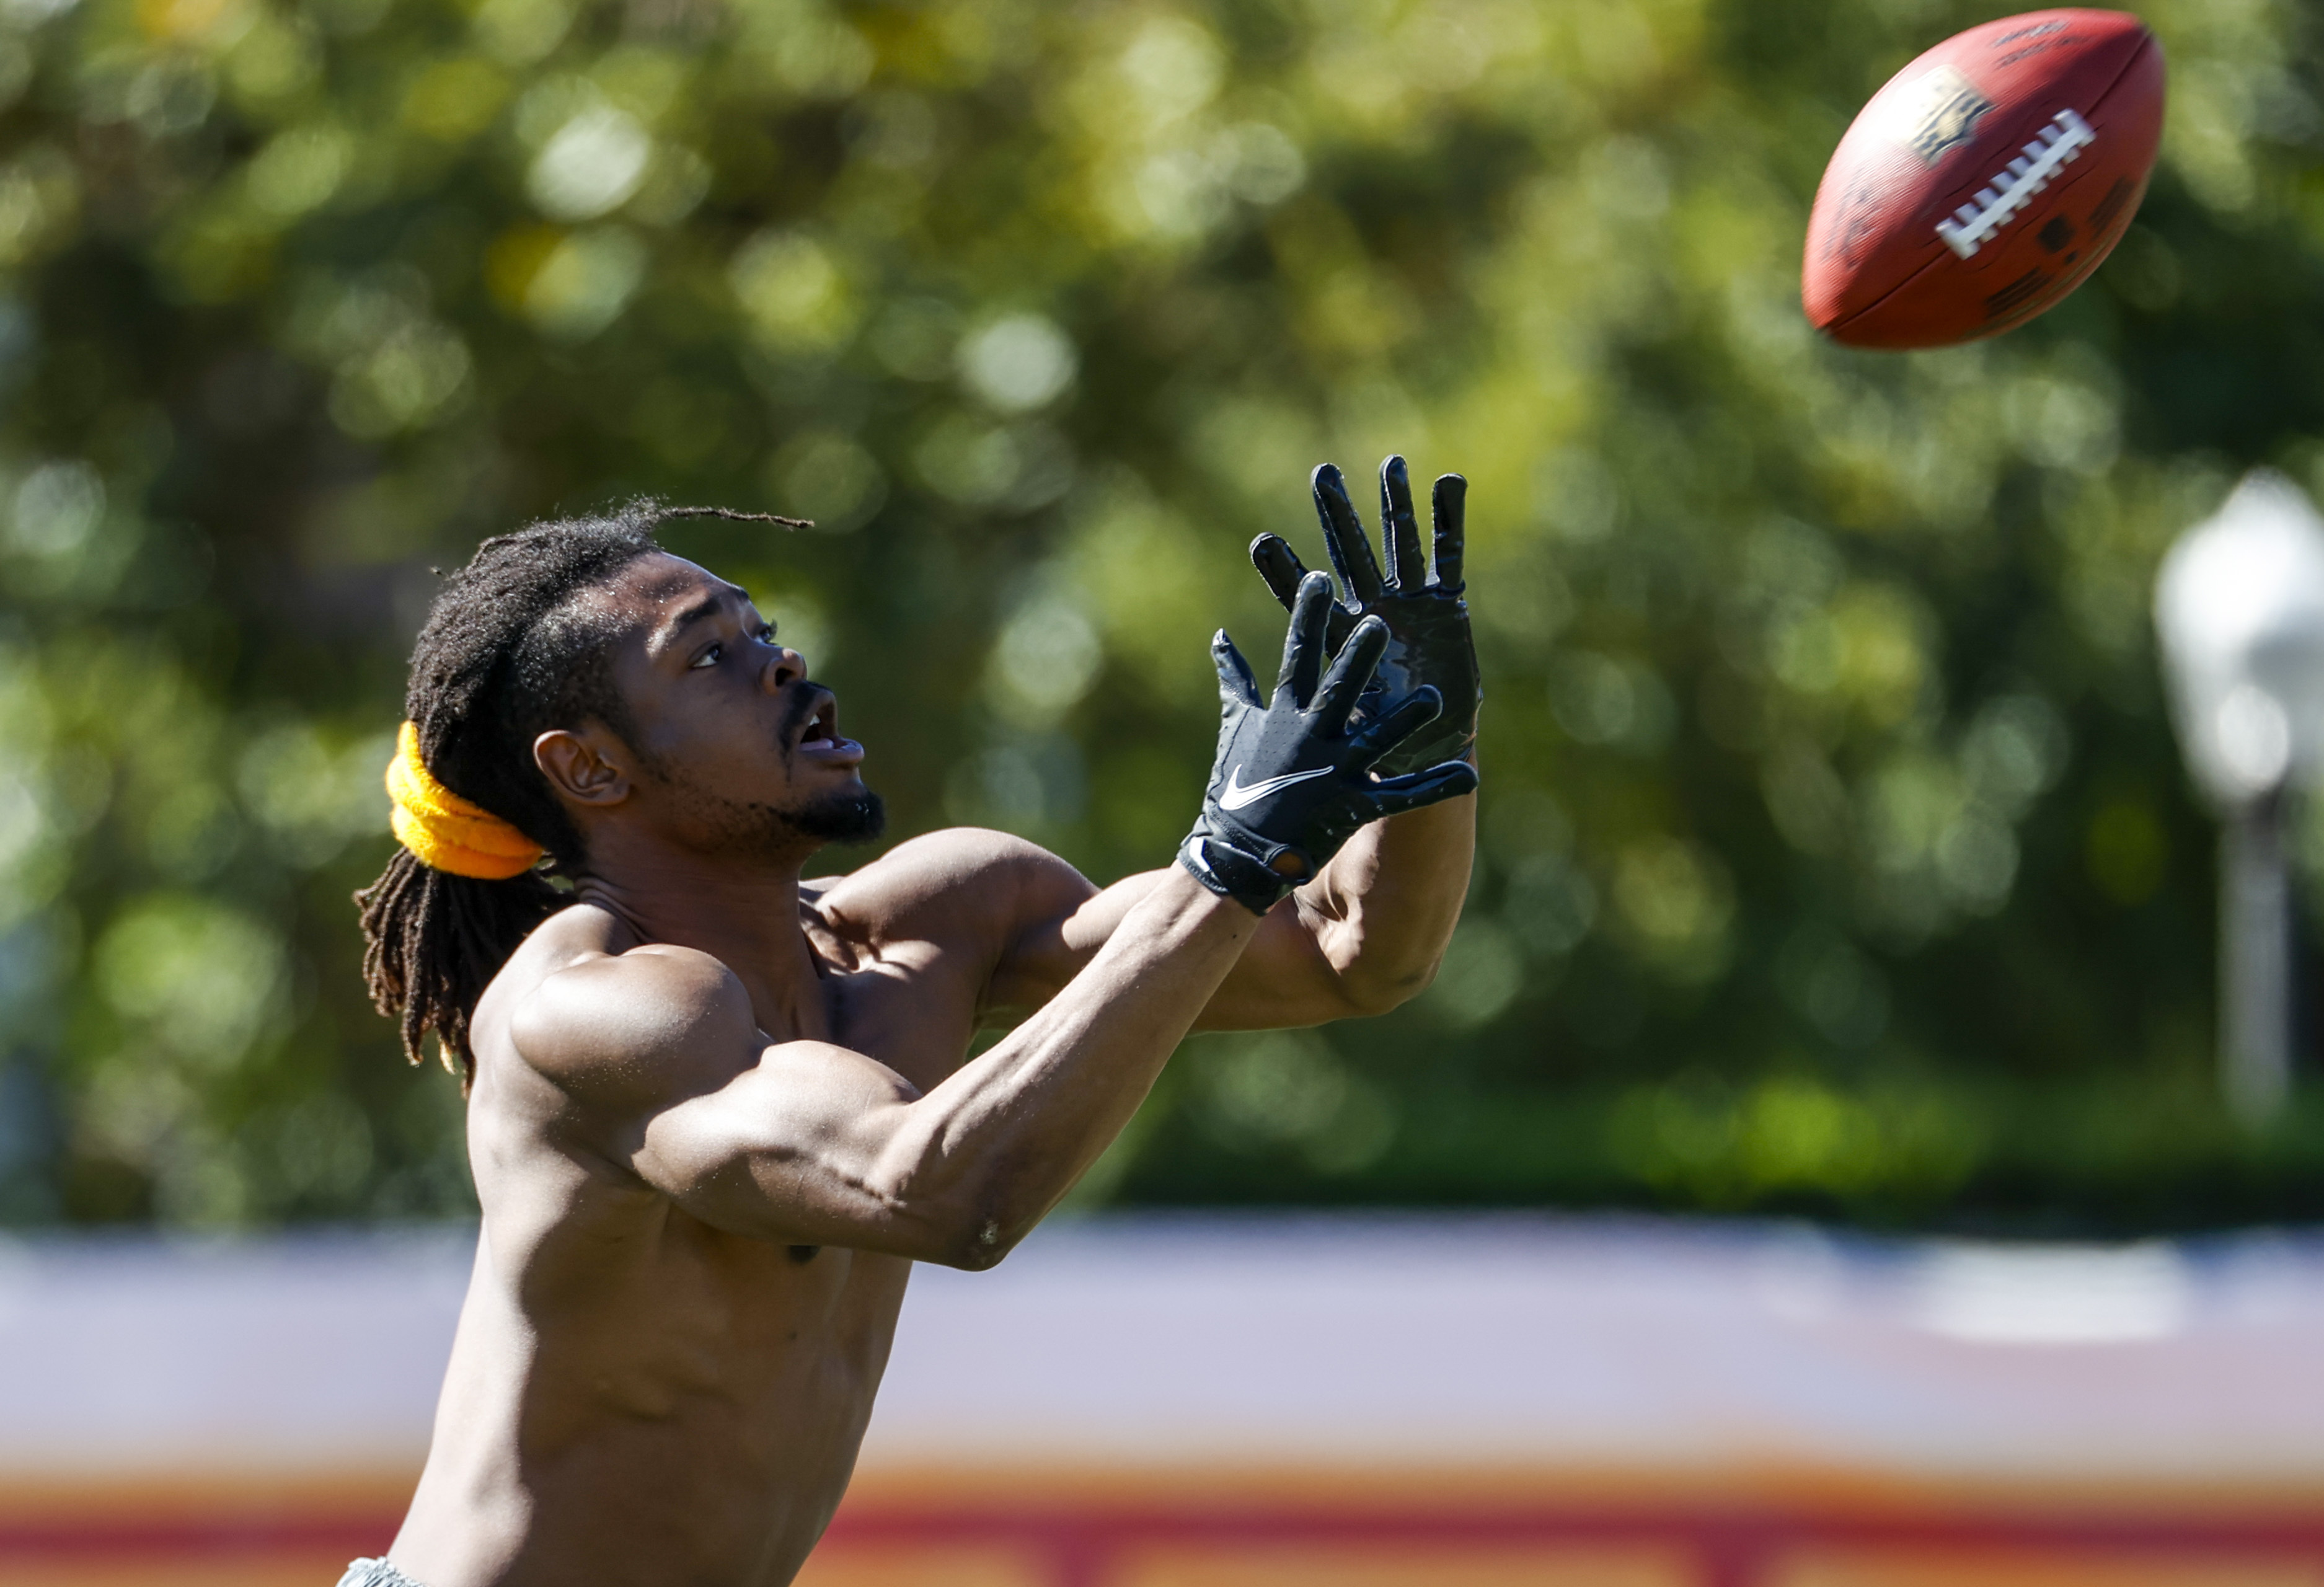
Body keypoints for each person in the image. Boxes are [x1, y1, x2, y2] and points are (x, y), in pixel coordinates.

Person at [340, 458, 1482, 1587]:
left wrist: (1428, 749)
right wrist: (1227, 861)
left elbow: (1353, 957)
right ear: (589, 768)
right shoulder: (592, 1010)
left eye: (763, 629)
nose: (780, 662)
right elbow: (941, 1192)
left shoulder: (941, 919)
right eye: (709, 657)